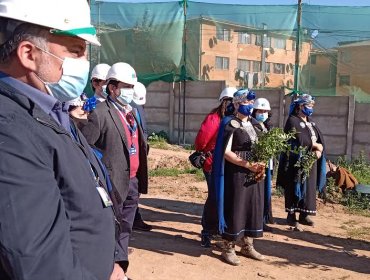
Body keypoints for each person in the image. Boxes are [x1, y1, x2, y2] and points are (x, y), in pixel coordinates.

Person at [0, 0, 126, 279]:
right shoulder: (9, 129)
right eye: (76, 51)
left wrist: (112, 263)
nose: (85, 63)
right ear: (29, 54)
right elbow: (40, 263)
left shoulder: (52, 111)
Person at [81, 62, 149, 275]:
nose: (130, 90)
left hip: (133, 180)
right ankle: (106, 268)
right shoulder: (99, 113)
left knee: (126, 228)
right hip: (111, 182)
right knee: (110, 228)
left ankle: (120, 268)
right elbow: (86, 147)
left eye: (132, 86)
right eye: (126, 86)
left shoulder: (132, 112)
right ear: (112, 87)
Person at [212, 88, 266, 266]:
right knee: (236, 208)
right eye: (246, 102)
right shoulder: (230, 123)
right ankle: (229, 247)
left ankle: (248, 245)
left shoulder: (255, 124)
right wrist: (247, 164)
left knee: (252, 207)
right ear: (236, 104)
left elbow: (263, 147)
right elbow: (226, 152)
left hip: (254, 174)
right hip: (236, 173)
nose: (250, 105)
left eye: (251, 102)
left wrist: (262, 163)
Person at [194, 86, 236, 247]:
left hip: (229, 165)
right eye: (231, 101)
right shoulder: (215, 118)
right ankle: (207, 230)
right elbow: (201, 141)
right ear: (225, 102)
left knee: (225, 198)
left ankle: (220, 228)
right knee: (214, 197)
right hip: (213, 165)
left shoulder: (236, 120)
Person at [276, 94, 326, 230]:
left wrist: (319, 150)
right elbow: (300, 140)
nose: (310, 108)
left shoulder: (310, 122)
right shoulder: (293, 120)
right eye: (308, 105)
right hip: (295, 162)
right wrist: (316, 146)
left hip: (311, 161)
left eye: (312, 106)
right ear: (300, 106)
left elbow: (317, 138)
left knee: (308, 188)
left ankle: (304, 214)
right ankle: (291, 216)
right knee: (294, 187)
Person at [130, 81, 152, 231]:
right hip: (128, 157)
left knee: (135, 189)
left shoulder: (138, 108)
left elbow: (143, 130)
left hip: (139, 154)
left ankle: (135, 217)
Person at [252, 97, 274, 232]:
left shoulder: (265, 126)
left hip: (267, 165)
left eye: (265, 111)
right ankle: (257, 221)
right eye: (260, 111)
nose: (263, 114)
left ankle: (262, 220)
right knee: (258, 195)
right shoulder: (252, 126)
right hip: (257, 165)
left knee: (265, 194)